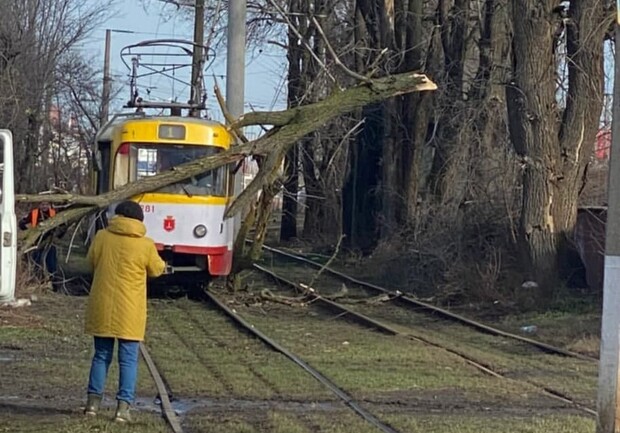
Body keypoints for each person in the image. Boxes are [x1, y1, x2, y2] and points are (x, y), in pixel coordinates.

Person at [83, 200, 166, 422]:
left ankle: (92, 405)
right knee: (128, 360)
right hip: (130, 311)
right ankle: (123, 409)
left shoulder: (102, 237)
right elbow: (157, 270)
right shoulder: (145, 244)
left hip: (102, 307)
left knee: (101, 356)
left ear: (117, 217)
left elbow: (90, 262)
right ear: (139, 220)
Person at [19, 201, 59, 282]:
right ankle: (37, 280)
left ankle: (53, 282)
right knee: (36, 262)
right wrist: (28, 231)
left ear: (49, 205)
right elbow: (22, 224)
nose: (44, 206)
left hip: (49, 242)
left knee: (51, 264)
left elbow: (61, 227)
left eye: (46, 204)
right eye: (42, 204)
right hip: (36, 243)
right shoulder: (34, 213)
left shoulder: (54, 213)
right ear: (39, 205)